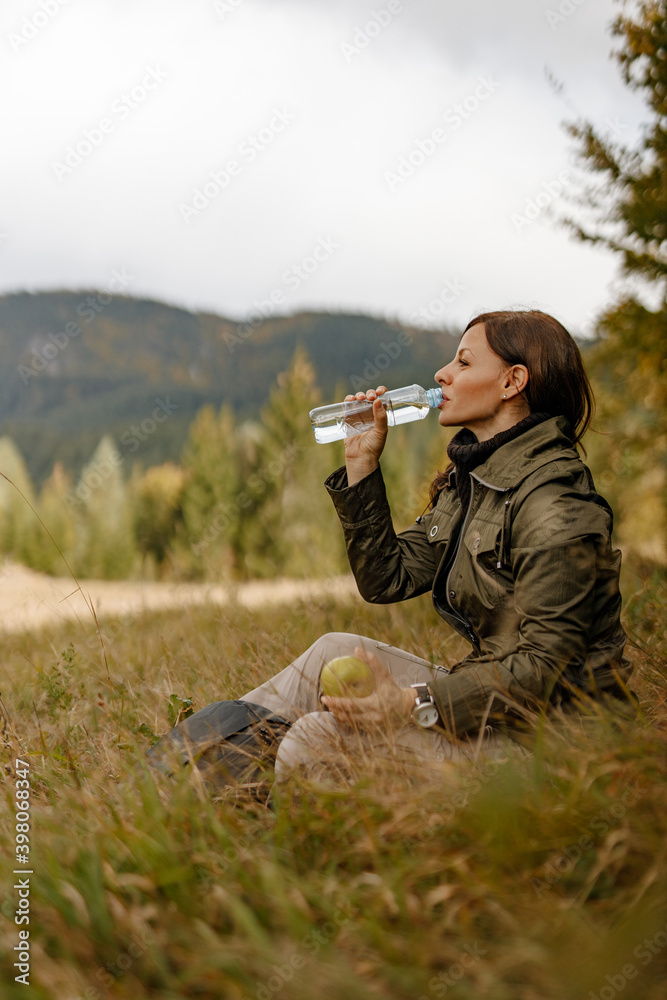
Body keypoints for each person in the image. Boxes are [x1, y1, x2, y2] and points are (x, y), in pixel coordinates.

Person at [240, 310, 633, 781]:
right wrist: (362, 464)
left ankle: (247, 804)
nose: (442, 374)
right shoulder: (477, 479)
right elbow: (388, 579)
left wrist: (411, 703)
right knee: (333, 649)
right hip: (497, 707)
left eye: (464, 363)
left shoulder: (556, 504)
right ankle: (189, 764)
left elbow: (543, 668)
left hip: (555, 743)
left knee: (317, 739)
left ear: (513, 381)